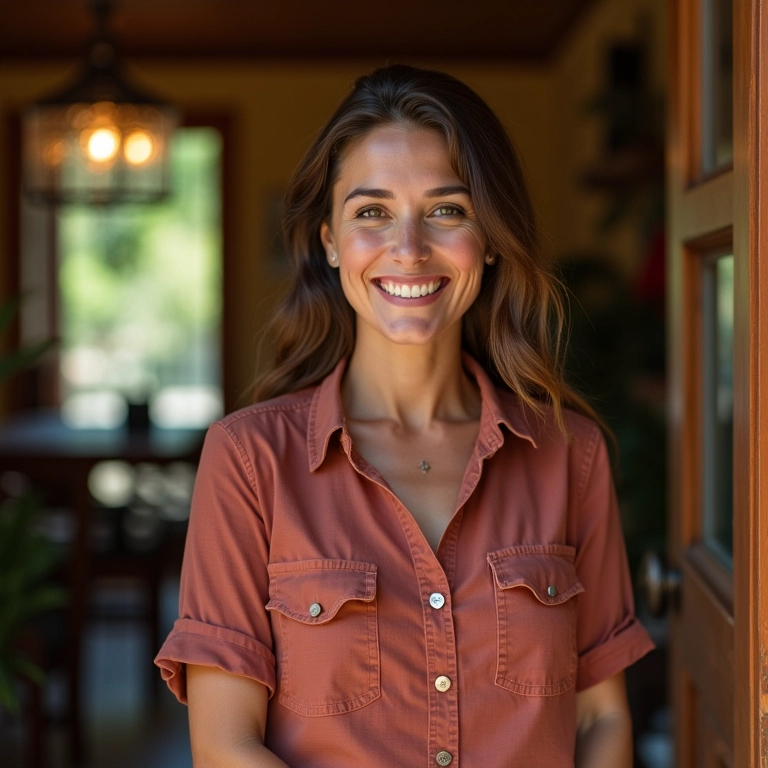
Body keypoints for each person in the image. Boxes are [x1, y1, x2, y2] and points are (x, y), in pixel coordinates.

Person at [155, 64, 654, 768]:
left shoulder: (571, 456)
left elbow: (602, 720)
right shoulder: (249, 460)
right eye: (372, 212)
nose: (410, 248)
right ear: (330, 240)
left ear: (489, 237)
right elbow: (225, 744)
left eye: (447, 209)